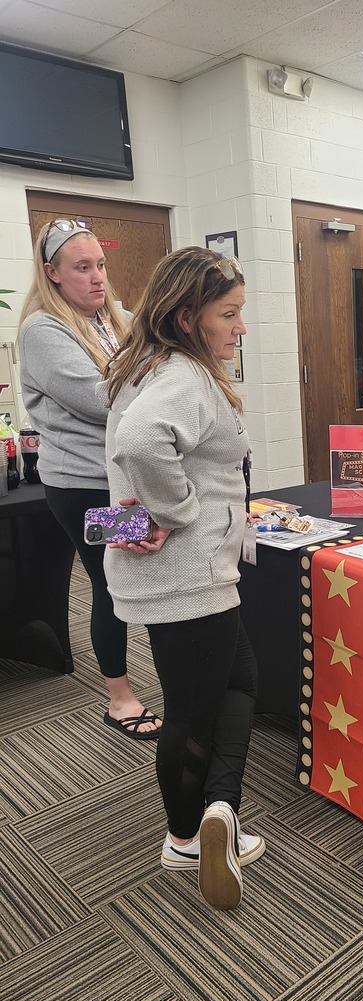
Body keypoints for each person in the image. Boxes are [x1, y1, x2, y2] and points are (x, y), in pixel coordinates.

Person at [101, 246, 265, 911]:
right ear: (186, 315)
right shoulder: (186, 377)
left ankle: (218, 812)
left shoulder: (146, 364)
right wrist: (180, 511)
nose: (240, 328)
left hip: (178, 573)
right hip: (188, 573)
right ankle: (185, 837)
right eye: (229, 314)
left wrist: (149, 514)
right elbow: (141, 442)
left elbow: (125, 457)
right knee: (196, 711)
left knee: (237, 683)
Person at [18, 218, 162, 739]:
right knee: (111, 581)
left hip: (124, 478)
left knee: (141, 573)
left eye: (100, 264)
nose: (98, 277)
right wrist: (163, 396)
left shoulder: (116, 317)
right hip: (82, 488)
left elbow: (157, 370)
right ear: (52, 273)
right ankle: (119, 697)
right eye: (82, 268)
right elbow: (105, 400)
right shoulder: (43, 330)